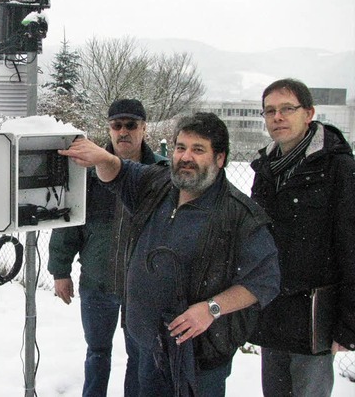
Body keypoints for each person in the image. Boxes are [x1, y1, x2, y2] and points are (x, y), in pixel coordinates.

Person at [58, 112, 280, 396]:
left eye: (198, 150)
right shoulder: (158, 183)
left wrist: (211, 308)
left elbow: (264, 281)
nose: (186, 157)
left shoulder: (239, 215)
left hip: (196, 358)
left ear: (220, 158)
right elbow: (120, 172)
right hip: (146, 345)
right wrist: (101, 157)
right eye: (180, 147)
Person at [47, 98, 167, 397]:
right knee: (97, 354)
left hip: (142, 290)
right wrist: (60, 271)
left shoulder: (162, 174)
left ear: (144, 128)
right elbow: (68, 223)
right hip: (98, 284)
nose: (123, 131)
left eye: (131, 125)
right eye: (117, 125)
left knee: (140, 359)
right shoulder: (87, 173)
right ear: (109, 129)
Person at [248, 78, 355, 396]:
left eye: (286, 109)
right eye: (270, 111)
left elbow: (350, 246)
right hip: (272, 308)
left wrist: (348, 322)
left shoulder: (337, 168)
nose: (277, 117)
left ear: (308, 113)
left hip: (314, 315)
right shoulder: (266, 167)